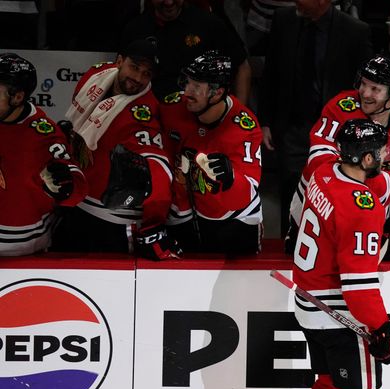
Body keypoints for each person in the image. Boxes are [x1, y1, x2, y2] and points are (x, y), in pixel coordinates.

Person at [244, 119, 390, 389]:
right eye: (380, 153)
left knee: (331, 386)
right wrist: (381, 328)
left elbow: (377, 184)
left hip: (308, 302)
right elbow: (360, 286)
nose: (385, 156)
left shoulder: (324, 169)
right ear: (365, 158)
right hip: (339, 311)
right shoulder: (360, 210)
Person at [287, 53, 390, 259]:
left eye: (375, 89)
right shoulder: (340, 107)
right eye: (363, 84)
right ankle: (299, 231)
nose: (365, 93)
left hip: (367, 209)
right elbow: (319, 164)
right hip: (324, 200)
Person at [52, 38, 177, 260]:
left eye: (147, 74)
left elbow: (159, 168)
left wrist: (153, 224)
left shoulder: (143, 114)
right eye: (135, 67)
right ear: (119, 61)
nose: (138, 78)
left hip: (112, 221)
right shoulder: (95, 77)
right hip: (76, 205)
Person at [259, 0, 372, 237]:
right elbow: (270, 73)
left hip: (336, 130)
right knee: (292, 188)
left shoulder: (355, 30)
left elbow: (364, 87)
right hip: (293, 126)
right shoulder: (283, 20)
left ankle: (328, 247)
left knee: (334, 190)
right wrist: (266, 120)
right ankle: (291, 246)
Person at [159, 51, 263, 254]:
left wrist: (232, 179)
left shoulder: (244, 128)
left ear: (217, 93)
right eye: (187, 82)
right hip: (183, 211)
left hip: (231, 217)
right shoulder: (171, 107)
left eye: (196, 87)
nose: (186, 92)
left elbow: (249, 189)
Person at [0, 53, 87, 256]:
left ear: (18, 97)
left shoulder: (43, 135)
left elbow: (77, 187)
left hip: (21, 247)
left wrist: (64, 186)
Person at [121, 0, 252, 102]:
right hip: (150, 113)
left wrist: (237, 114)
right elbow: (119, 72)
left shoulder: (209, 24)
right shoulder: (135, 29)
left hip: (198, 115)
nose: (169, 2)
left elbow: (242, 66)